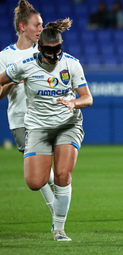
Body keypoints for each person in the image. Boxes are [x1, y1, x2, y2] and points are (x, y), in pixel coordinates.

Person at [0, 18, 93, 241]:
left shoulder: (71, 64)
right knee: (35, 182)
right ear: (39, 48)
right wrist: (12, 83)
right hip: (38, 128)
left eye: (58, 50)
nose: (54, 55)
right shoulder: (24, 65)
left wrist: (74, 103)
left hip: (67, 125)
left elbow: (87, 98)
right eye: (49, 51)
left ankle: (59, 229)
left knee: (63, 175)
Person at [0, 0, 56, 232]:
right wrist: (13, 81)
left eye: (42, 25)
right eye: (37, 25)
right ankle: (57, 213)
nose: (40, 29)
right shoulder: (5, 56)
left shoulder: (45, 51)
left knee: (49, 171)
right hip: (21, 120)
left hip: (47, 117)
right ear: (23, 26)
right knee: (42, 173)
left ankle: (57, 214)